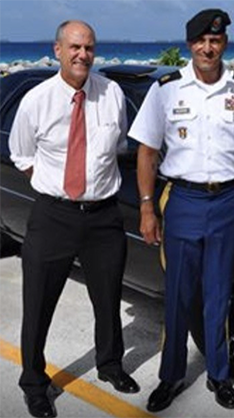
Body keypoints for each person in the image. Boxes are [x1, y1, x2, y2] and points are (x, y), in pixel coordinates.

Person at [128, 8, 234, 413]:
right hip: (183, 201)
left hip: (228, 201)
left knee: (218, 295)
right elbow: (145, 150)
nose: (208, 47)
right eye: (201, 41)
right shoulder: (166, 89)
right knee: (177, 295)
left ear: (224, 43)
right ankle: (171, 376)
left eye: (215, 40)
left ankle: (219, 374)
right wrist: (146, 207)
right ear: (190, 44)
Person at [9, 20, 139, 418]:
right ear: (59, 50)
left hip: (103, 217)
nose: (83, 55)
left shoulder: (111, 93)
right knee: (38, 304)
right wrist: (58, 188)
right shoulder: (37, 99)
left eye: (89, 48)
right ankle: (33, 381)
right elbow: (22, 154)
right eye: (75, 47)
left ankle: (110, 364)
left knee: (108, 299)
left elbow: (117, 146)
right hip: (54, 216)